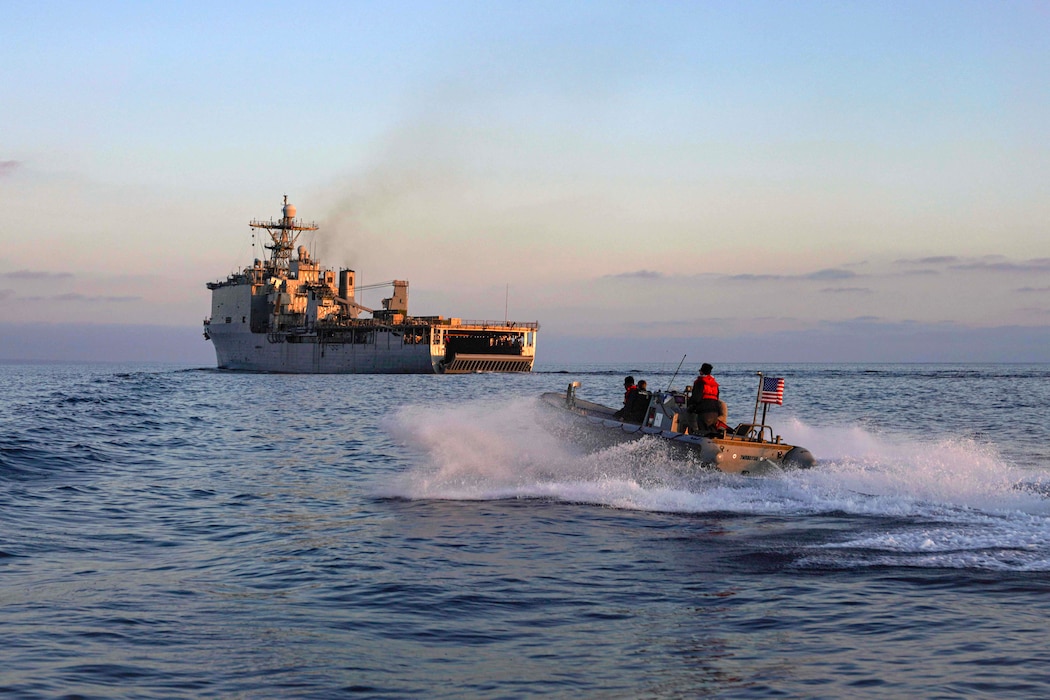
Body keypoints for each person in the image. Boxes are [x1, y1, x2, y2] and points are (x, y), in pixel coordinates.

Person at [687, 363, 721, 436]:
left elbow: (696, 398)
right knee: (713, 433)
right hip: (715, 412)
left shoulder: (700, 382)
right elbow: (717, 397)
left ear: (701, 372)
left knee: (703, 433)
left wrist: (689, 406)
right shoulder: (714, 384)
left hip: (704, 412)